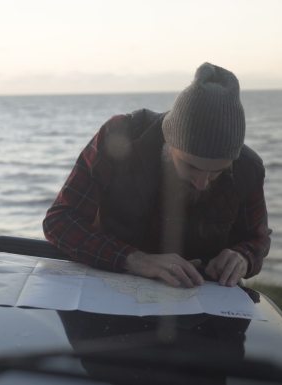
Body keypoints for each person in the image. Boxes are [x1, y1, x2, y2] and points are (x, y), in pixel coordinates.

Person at [43, 63, 270, 288]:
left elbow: (257, 239)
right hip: (111, 289)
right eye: (191, 166)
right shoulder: (120, 137)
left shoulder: (248, 168)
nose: (202, 183)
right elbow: (60, 222)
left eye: (217, 172)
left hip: (201, 299)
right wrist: (134, 260)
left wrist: (243, 256)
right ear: (169, 141)